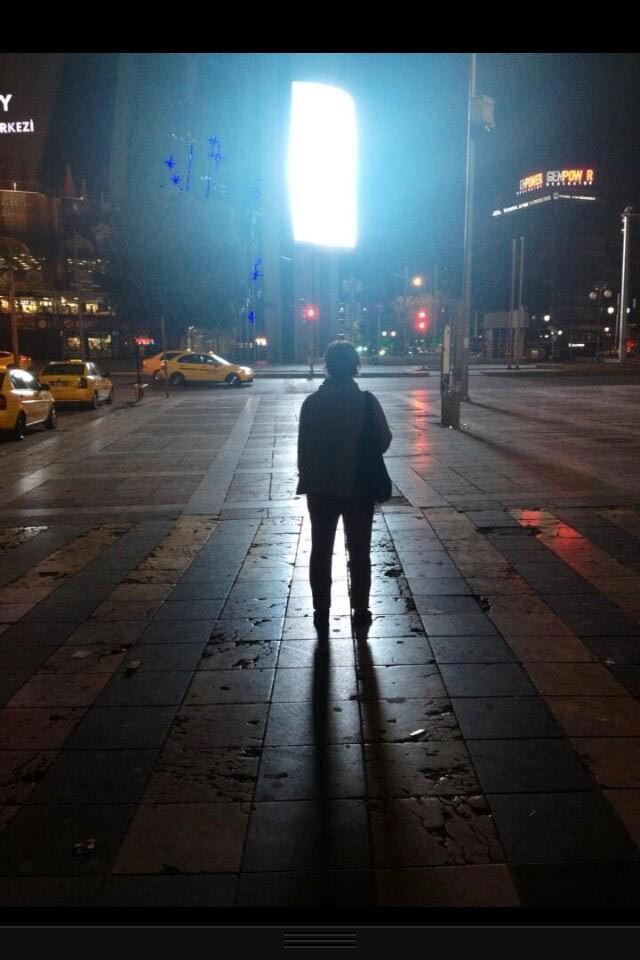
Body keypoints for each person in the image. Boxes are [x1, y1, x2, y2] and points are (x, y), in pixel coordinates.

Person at [296, 340, 392, 636]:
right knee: (360, 551)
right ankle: (360, 610)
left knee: (321, 550)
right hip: (359, 487)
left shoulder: (312, 404)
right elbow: (384, 441)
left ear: (327, 366)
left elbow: (303, 451)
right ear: (355, 367)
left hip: (321, 489)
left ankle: (321, 611)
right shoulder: (367, 402)